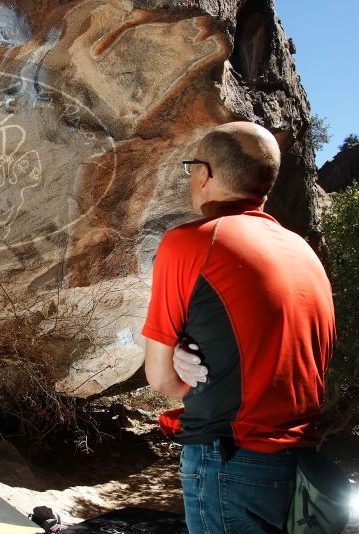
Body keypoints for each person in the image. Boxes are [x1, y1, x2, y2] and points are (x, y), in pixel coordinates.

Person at [141, 122, 336, 532]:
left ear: (205, 174)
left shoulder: (191, 242)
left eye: (191, 168)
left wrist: (182, 367)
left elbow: (160, 377)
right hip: (302, 465)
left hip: (231, 458)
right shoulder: (302, 250)